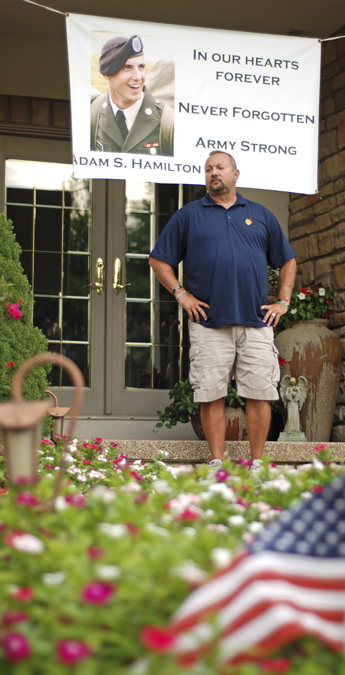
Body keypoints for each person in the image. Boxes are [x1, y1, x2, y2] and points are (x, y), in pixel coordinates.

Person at [149, 151, 297, 477]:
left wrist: (283, 301)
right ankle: (217, 462)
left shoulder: (260, 215)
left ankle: (257, 464)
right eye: (208, 169)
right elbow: (159, 259)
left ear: (235, 174)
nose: (213, 173)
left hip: (256, 321)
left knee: (259, 394)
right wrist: (181, 293)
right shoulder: (189, 216)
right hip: (208, 323)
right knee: (210, 393)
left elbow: (287, 260)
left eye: (220, 168)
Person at [90, 35, 174, 155]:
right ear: (107, 74)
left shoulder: (168, 121)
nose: (138, 77)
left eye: (141, 67)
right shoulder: (93, 114)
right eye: (127, 68)